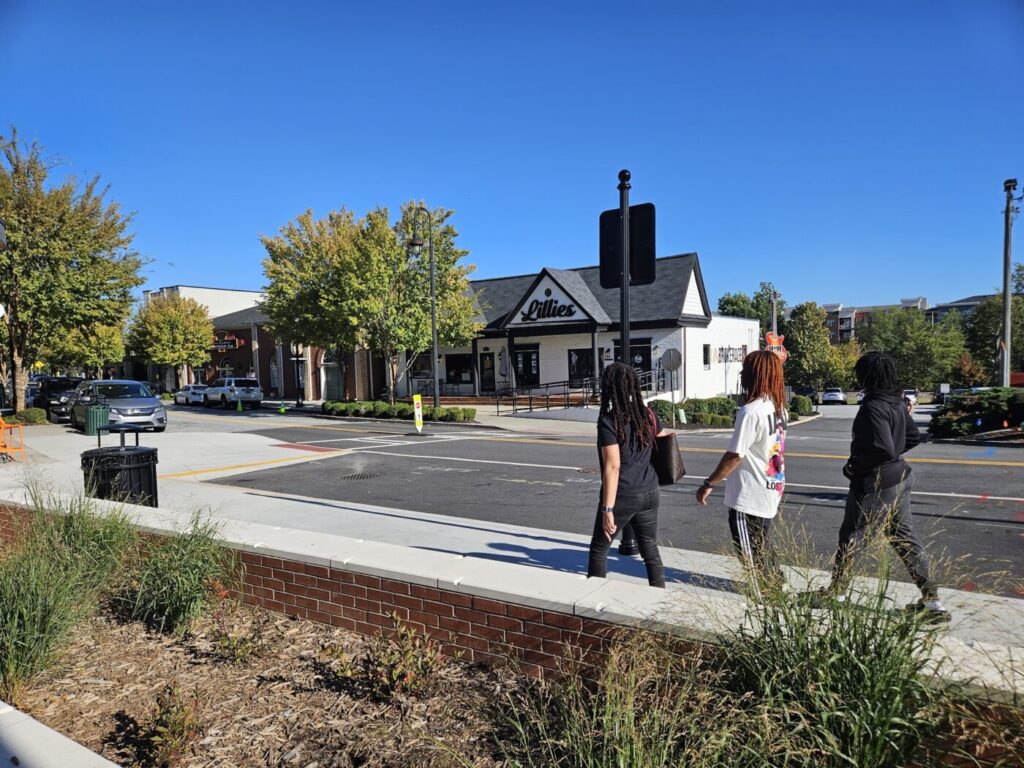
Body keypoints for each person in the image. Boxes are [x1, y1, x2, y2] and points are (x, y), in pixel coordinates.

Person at [815, 352, 949, 621]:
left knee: (852, 536)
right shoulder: (896, 403)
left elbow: (883, 448)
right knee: (905, 540)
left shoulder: (873, 407)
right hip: (900, 478)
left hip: (876, 484)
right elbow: (911, 437)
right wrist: (893, 452)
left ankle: (838, 593)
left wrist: (854, 466)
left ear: (866, 376)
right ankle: (933, 605)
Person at [696, 350, 787, 598]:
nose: (741, 373)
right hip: (771, 486)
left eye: (745, 369)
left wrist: (708, 483)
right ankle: (777, 585)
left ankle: (765, 598)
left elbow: (735, 456)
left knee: (750, 552)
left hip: (750, 494)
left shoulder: (751, 412)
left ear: (755, 374)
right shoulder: (777, 408)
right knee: (762, 544)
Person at [587, 362, 671, 588]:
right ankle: (659, 595)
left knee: (599, 549)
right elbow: (665, 440)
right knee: (650, 549)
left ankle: (593, 600)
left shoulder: (609, 421)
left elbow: (613, 467)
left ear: (609, 388)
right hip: (650, 490)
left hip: (624, 493)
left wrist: (607, 509)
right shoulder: (649, 416)